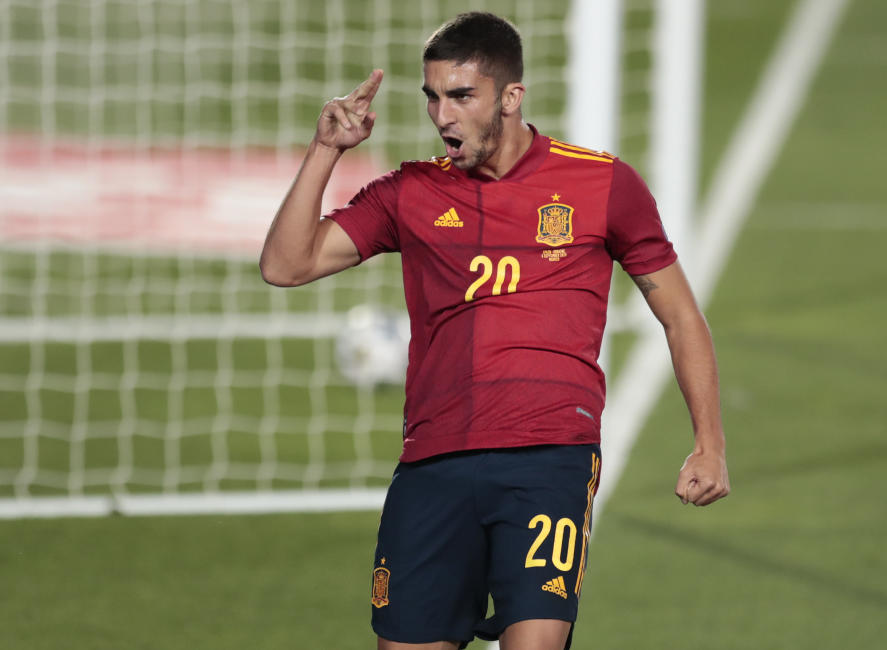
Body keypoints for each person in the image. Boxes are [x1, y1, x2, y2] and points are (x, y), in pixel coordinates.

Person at [260, 11, 729, 650]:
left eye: (460, 96)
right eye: (432, 97)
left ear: (511, 97)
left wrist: (709, 442)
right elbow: (286, 265)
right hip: (434, 462)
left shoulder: (601, 184)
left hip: (548, 456)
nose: (442, 115)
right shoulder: (411, 192)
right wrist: (325, 151)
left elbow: (680, 314)